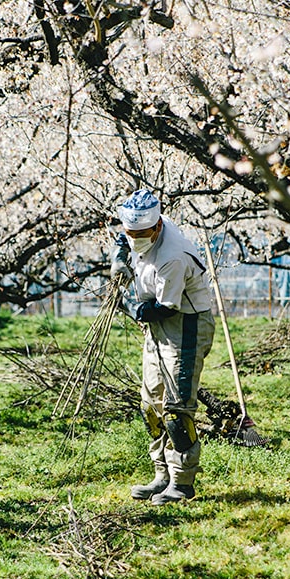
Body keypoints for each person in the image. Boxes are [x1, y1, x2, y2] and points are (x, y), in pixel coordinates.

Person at [110, 189, 216, 505]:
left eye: (142, 234)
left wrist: (128, 307)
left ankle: (182, 482)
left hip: (185, 323)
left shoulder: (172, 256)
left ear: (156, 228)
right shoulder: (141, 227)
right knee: (150, 404)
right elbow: (121, 241)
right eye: (132, 233)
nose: (135, 238)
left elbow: (163, 308)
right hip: (158, 328)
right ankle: (162, 475)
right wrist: (119, 261)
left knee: (175, 407)